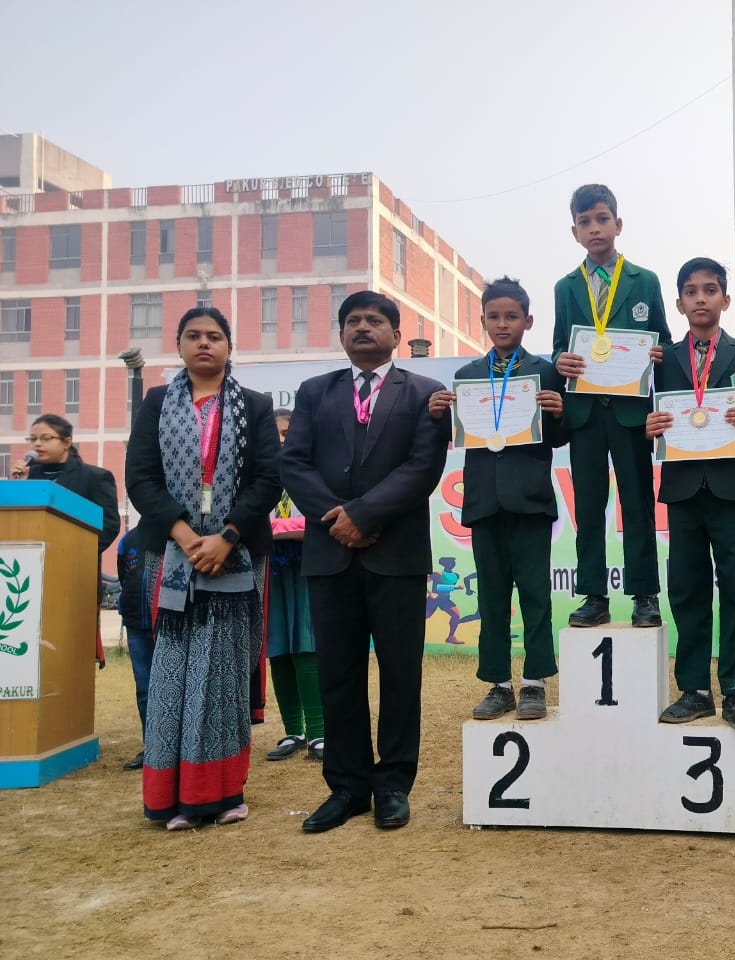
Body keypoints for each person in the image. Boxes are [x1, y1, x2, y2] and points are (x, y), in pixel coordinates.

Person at [280, 290, 449, 834]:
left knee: (400, 675)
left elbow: (423, 468)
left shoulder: (425, 393)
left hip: (396, 554)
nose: (362, 327)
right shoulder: (315, 392)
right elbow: (294, 463)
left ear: (396, 335)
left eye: (374, 320)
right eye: (352, 320)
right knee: (339, 674)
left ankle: (393, 785)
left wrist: (364, 515)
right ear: (341, 334)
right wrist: (338, 518)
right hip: (330, 555)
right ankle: (348, 787)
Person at [124, 307, 280, 830]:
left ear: (229, 347)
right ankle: (169, 796)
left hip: (237, 551)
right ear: (179, 346)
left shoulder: (254, 405)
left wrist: (226, 536)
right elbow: (140, 477)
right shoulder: (156, 403)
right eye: (193, 336)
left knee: (223, 672)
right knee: (172, 673)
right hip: (173, 551)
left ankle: (224, 792)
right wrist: (187, 535)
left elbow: (268, 479)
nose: (204, 343)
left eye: (214, 336)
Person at [646, 257, 735, 730]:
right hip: (684, 490)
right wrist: (648, 426)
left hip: (734, 490)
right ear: (679, 303)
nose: (700, 298)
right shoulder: (663, 359)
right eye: (691, 291)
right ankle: (694, 690)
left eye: (710, 290)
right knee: (688, 591)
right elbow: (648, 417)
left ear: (725, 299)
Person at [429, 276, 569, 721]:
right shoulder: (467, 377)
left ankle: (535, 682)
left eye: (511, 316)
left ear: (528, 321)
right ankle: (498, 684)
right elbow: (456, 435)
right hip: (484, 501)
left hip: (530, 501)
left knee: (535, 596)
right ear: (483, 321)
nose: (502, 324)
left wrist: (559, 412)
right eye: (494, 317)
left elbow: (561, 436)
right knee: (491, 598)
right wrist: (438, 415)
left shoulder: (545, 371)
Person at [553, 183, 673, 628]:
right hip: (585, 413)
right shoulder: (565, 287)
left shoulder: (645, 280)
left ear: (618, 224)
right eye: (584, 222)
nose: (594, 228)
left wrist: (658, 352)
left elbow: (663, 340)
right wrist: (560, 360)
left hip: (631, 413)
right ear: (574, 232)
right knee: (588, 507)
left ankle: (645, 595)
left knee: (636, 504)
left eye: (602, 219)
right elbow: (558, 346)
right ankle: (593, 596)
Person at [13, 413, 122, 667]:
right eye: (33, 439)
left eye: (46, 438)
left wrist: (74, 551)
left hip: (74, 576)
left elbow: (109, 525)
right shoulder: (28, 477)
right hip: (26, 578)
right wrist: (17, 486)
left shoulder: (94, 477)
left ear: (67, 442)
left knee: (69, 656)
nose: (37, 444)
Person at [264, 408, 325, 763]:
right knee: (278, 648)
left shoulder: (313, 471)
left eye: (287, 433)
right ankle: (293, 731)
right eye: (274, 434)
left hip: (308, 563)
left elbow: (325, 516)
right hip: (270, 566)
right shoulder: (259, 475)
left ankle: (319, 733)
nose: (281, 440)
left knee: (306, 644)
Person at [116, 527, 151, 770]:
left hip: (167, 624)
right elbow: (123, 576)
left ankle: (173, 749)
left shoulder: (174, 533)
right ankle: (151, 747)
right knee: (144, 688)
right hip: (136, 624)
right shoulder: (128, 540)